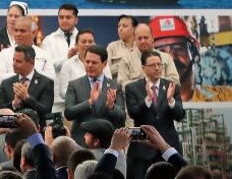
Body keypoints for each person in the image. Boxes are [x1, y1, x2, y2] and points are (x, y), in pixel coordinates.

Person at [124, 50, 185, 179]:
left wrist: (171, 101)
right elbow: (133, 113)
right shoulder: (132, 88)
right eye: (152, 65)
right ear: (143, 68)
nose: (157, 68)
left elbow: (180, 115)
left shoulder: (172, 86)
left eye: (159, 64)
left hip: (168, 144)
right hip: (142, 145)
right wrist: (147, 100)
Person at [63, 45, 125, 145]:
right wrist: (89, 102)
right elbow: (69, 113)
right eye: (87, 62)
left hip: (107, 143)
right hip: (81, 142)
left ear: (104, 64)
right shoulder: (74, 85)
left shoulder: (115, 86)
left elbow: (122, 117)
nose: (89, 65)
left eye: (94, 62)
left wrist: (111, 107)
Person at [0, 46, 54, 126]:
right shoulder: (6, 83)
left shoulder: (46, 83)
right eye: (13, 60)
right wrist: (14, 104)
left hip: (35, 134)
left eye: (18, 61)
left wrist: (27, 98)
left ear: (31, 62)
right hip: (10, 134)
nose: (14, 64)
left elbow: (46, 112)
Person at [57, 29, 112, 113]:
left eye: (90, 42)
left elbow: (109, 86)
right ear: (76, 45)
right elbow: (62, 91)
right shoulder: (67, 64)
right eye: (83, 41)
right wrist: (88, 100)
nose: (87, 44)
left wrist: (97, 98)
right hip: (76, 109)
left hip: (101, 109)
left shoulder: (104, 64)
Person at [150, 16, 202, 102]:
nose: (172, 57)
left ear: (194, 54)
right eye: (161, 53)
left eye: (179, 49)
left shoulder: (224, 97)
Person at [0, 18, 53, 88]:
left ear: (33, 33)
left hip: (37, 97)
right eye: (16, 30)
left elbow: (52, 79)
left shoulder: (44, 54)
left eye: (22, 31)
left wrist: (29, 73)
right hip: (11, 97)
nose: (18, 34)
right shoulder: (4, 53)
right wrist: (22, 74)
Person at [41, 4, 79, 79]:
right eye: (61, 17)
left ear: (76, 20)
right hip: (57, 89)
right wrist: (67, 57)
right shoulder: (49, 40)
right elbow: (46, 66)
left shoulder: (84, 40)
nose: (64, 20)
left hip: (79, 87)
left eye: (68, 17)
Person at [106, 15, 140, 82]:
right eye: (119, 26)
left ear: (134, 29)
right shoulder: (112, 47)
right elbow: (106, 72)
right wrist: (123, 64)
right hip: (118, 88)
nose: (120, 29)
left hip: (138, 88)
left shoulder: (141, 46)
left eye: (124, 26)